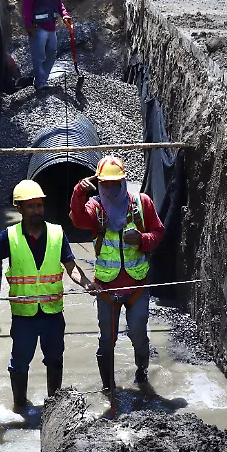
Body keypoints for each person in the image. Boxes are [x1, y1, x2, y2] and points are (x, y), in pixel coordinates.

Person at [0, 180, 97, 413]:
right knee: (19, 363)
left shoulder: (58, 234)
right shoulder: (10, 237)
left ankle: (54, 409)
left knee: (55, 360)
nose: (37, 211)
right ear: (19, 209)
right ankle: (19, 406)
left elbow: (71, 267)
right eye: (31, 206)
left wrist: (87, 283)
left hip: (52, 314)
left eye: (39, 205)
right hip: (24, 316)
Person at [69, 156, 165, 392]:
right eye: (106, 184)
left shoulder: (141, 204)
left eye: (115, 183)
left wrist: (142, 240)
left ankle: (142, 377)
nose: (111, 189)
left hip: (137, 287)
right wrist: (78, 192)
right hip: (106, 289)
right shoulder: (95, 208)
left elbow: (159, 233)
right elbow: (78, 219)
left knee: (139, 335)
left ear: (123, 182)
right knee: (106, 341)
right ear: (99, 184)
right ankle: (107, 388)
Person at [21, 0, 71, 91]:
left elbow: (59, 3)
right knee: (39, 56)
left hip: (51, 26)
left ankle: (43, 79)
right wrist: (28, 25)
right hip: (38, 28)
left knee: (52, 53)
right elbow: (26, 7)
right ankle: (40, 83)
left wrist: (65, 14)